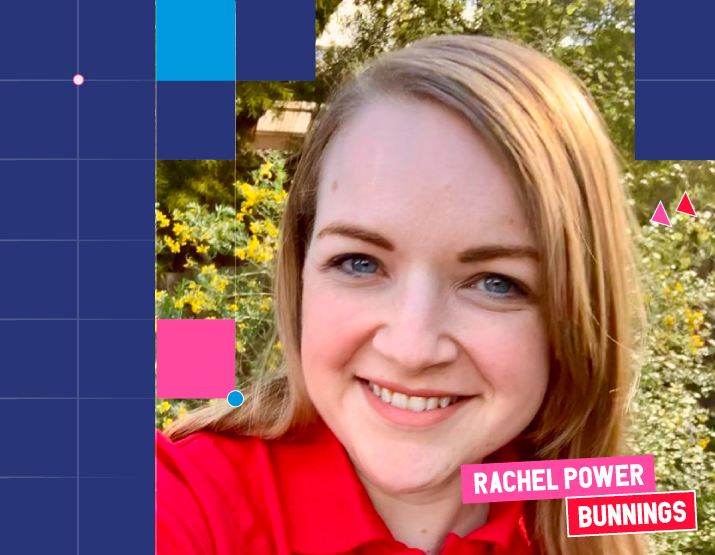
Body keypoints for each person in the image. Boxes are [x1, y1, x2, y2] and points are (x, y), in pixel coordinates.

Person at [156, 34, 650, 555]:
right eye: (359, 263)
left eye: (496, 282)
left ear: (573, 315)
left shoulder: (580, 509)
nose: (411, 350)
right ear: (301, 272)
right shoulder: (185, 503)